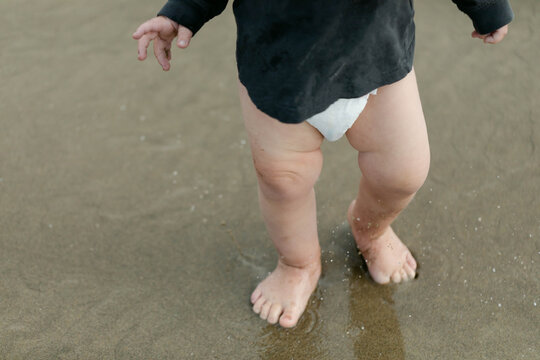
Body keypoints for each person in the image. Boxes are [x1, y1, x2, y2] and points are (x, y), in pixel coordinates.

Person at [133, 0, 513, 328]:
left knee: (403, 171)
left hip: (376, 58)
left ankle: (372, 230)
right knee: (284, 181)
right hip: (279, 69)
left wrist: (485, 6)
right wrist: (185, 11)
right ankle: (298, 263)